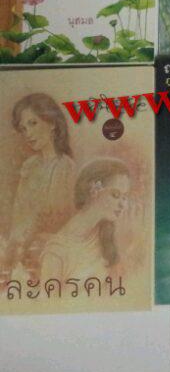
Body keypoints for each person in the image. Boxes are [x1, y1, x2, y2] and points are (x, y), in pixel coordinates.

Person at [3, 93, 76, 277]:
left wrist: (27, 241)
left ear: (52, 123)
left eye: (33, 123)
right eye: (23, 128)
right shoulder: (29, 166)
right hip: (20, 253)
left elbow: (59, 219)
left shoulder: (65, 167)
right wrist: (12, 248)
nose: (27, 133)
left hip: (47, 254)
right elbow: (18, 216)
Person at [39, 158, 131, 281]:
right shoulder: (57, 252)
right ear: (94, 190)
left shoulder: (103, 236)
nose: (122, 205)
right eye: (115, 195)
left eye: (124, 197)